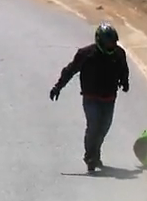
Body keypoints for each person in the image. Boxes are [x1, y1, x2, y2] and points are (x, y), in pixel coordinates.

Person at [49, 22, 130, 172]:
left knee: (104, 128)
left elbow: (124, 69)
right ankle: (89, 156)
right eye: (108, 43)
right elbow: (70, 70)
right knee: (93, 126)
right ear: (99, 41)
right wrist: (58, 87)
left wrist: (125, 82)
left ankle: (95, 152)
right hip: (91, 98)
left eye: (113, 42)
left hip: (109, 98)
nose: (111, 46)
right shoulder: (85, 54)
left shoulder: (119, 53)